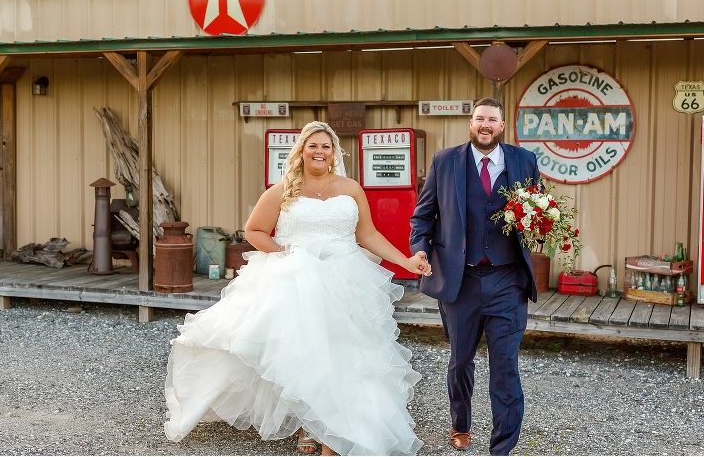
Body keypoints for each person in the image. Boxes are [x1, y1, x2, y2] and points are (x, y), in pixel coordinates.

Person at [164, 121, 431, 456]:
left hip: (345, 277)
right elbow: (255, 230)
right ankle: (310, 421)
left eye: (326, 146)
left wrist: (406, 261)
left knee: (346, 352)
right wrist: (284, 255)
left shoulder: (351, 188)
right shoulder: (283, 190)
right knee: (308, 352)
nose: (320, 152)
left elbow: (368, 235)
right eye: (313, 146)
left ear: (334, 153)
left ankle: (338, 430)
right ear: (302, 151)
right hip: (297, 279)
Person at [409, 97, 540, 456]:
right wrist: (420, 248)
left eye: (492, 120)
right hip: (460, 280)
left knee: (505, 367)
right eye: (479, 118)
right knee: (460, 360)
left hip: (507, 280)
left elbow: (538, 212)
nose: (485, 125)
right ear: (471, 122)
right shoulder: (445, 162)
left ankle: (501, 449)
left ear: (501, 125)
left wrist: (541, 227)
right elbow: (423, 216)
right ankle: (460, 423)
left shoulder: (524, 160)